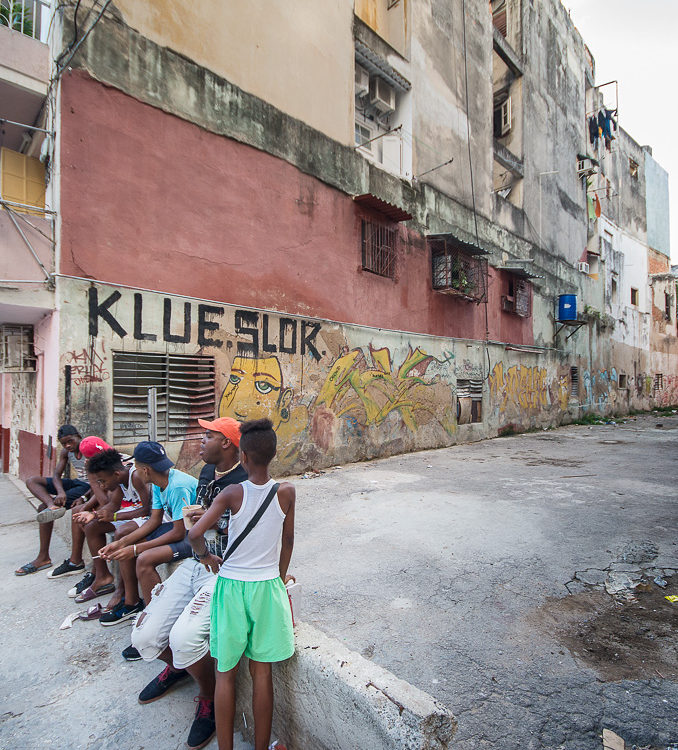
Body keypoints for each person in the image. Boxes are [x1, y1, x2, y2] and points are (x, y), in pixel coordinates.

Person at [131, 417, 246, 750]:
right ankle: (179, 668)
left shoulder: (244, 484)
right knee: (144, 636)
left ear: (226, 442)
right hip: (197, 562)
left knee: (184, 638)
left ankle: (208, 699)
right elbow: (199, 521)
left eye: (207, 435)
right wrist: (196, 518)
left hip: (223, 570)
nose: (200, 441)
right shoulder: (207, 473)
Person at [189, 418, 295, 750]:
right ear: (273, 454)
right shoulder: (287, 492)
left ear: (244, 457)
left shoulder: (233, 493)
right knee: (262, 673)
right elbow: (287, 541)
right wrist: (279, 575)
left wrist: (206, 556)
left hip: (232, 587)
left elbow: (194, 533)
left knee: (225, 673)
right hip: (266, 588)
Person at [99, 441, 196, 625]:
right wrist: (121, 543)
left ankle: (155, 621)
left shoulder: (176, 486)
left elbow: (178, 533)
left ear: (145, 470)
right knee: (126, 543)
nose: (133, 470)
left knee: (144, 559)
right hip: (180, 530)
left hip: (195, 536)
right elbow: (154, 520)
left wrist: (136, 549)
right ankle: (131, 603)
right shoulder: (160, 482)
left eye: (135, 466)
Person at [15, 428, 109, 578]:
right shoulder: (66, 452)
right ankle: (50, 507)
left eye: (70, 441)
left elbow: (98, 481)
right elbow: (57, 475)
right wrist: (61, 492)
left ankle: (45, 558)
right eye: (64, 443)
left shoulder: (89, 449)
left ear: (79, 436)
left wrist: (84, 498)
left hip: (88, 487)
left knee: (42, 508)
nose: (68, 446)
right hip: (77, 483)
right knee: (33, 481)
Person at [71, 448, 151, 606]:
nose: (101, 486)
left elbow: (147, 509)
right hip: (134, 514)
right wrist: (93, 515)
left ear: (116, 474)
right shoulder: (120, 481)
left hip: (151, 516)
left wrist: (115, 517)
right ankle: (102, 577)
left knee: (121, 532)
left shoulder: (135, 476)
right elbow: (114, 505)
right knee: (92, 526)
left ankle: (125, 592)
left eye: (102, 481)